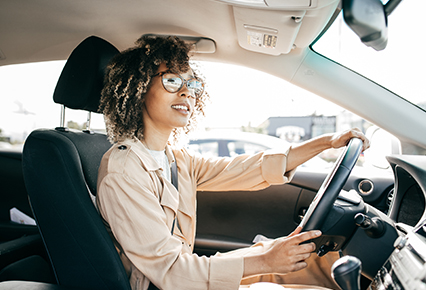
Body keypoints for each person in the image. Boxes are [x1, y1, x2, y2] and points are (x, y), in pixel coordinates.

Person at [97, 35, 370, 290]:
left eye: (191, 84)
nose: (186, 93)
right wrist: (265, 261)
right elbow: (169, 270)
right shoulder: (124, 170)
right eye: (171, 81)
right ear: (139, 87)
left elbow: (241, 169)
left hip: (183, 278)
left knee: (311, 261)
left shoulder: (173, 158)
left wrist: (327, 142)